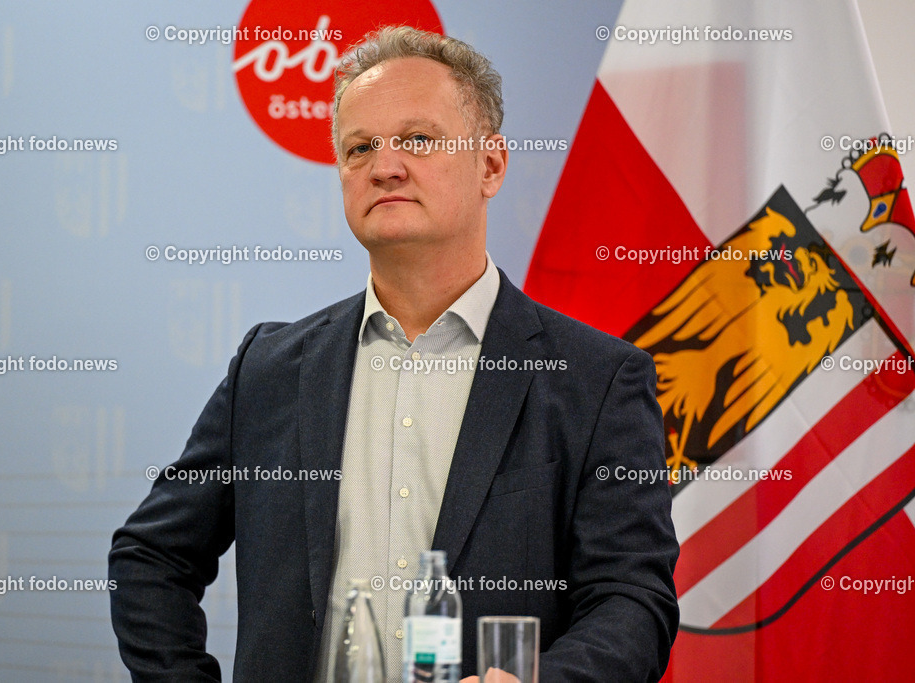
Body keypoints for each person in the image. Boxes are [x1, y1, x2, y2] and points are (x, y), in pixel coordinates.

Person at [109, 25, 679, 682]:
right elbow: (149, 557)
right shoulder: (268, 370)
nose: (385, 166)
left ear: (491, 165)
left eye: (418, 139)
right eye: (360, 148)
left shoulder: (596, 380)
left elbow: (632, 601)